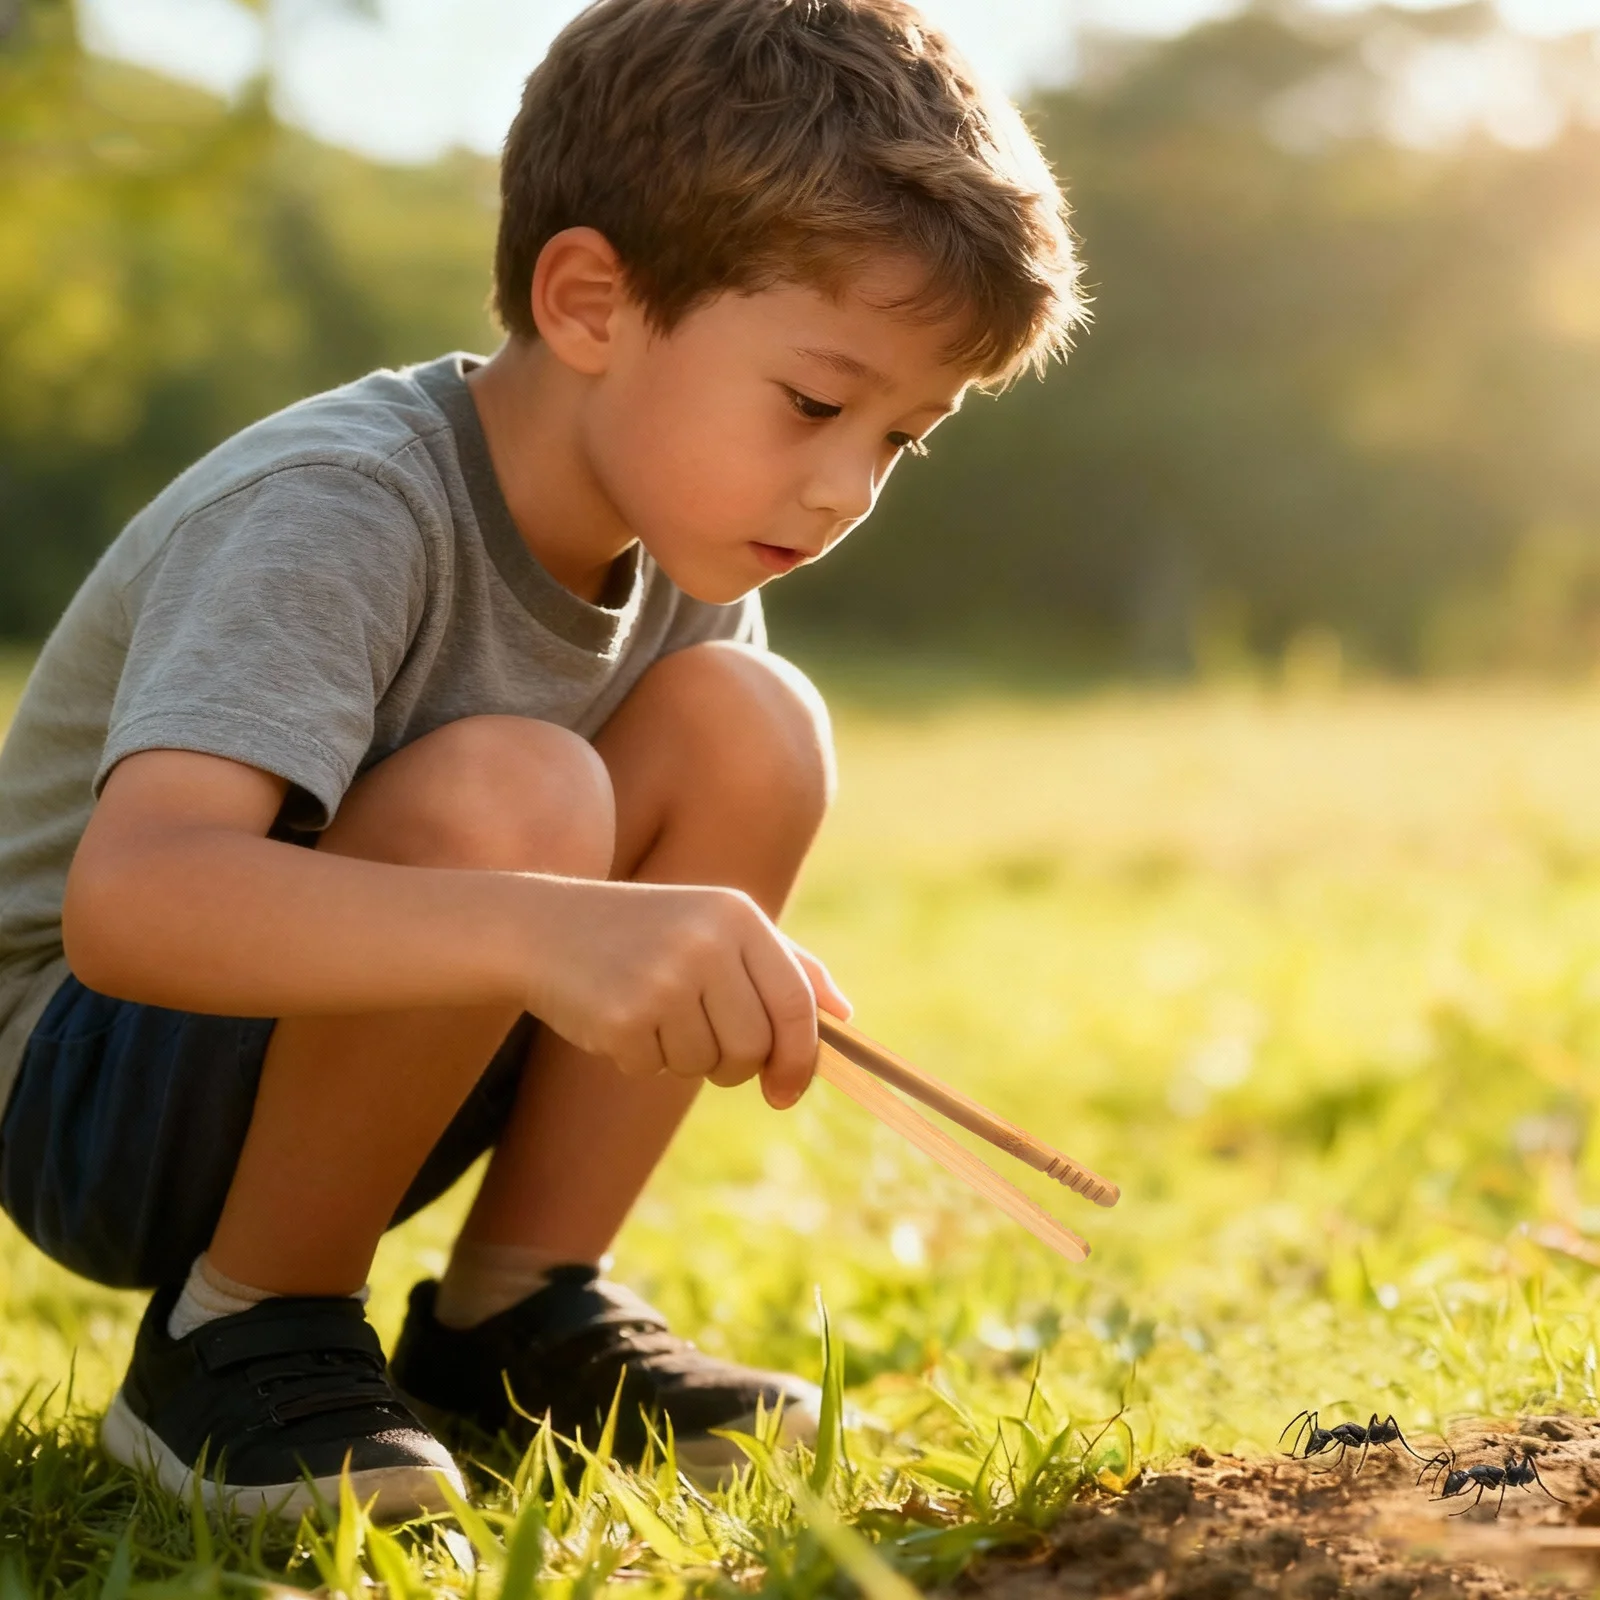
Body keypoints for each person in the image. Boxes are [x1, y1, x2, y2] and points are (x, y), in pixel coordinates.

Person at [0, 0, 1084, 1520]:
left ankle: (512, 1316)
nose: (844, 487)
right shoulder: (342, 506)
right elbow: (136, 902)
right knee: (519, 788)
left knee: (751, 721)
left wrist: (687, 953)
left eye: (901, 438)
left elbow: (627, 868)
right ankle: (237, 1333)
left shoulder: (699, 540)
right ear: (588, 301)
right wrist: (552, 920)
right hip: (97, 1084)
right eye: (818, 403)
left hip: (381, 1041)